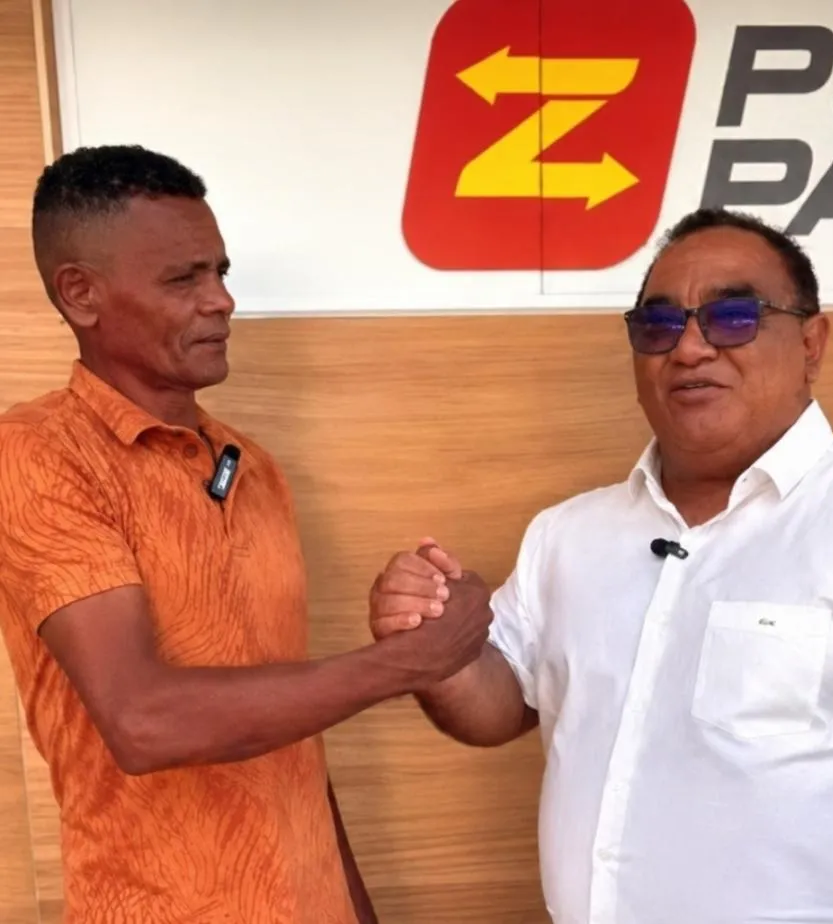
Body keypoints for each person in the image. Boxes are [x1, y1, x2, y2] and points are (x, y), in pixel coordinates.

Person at [369, 207, 833, 923]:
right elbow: (502, 702)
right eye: (660, 324)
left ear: (812, 343)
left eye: (733, 317)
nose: (690, 347)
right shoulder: (568, 535)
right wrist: (437, 639)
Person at [0, 144, 491, 924]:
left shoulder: (250, 466)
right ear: (81, 294)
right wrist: (408, 662)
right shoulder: (36, 456)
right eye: (183, 279)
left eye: (220, 272)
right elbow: (142, 721)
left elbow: (290, 725)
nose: (222, 301)